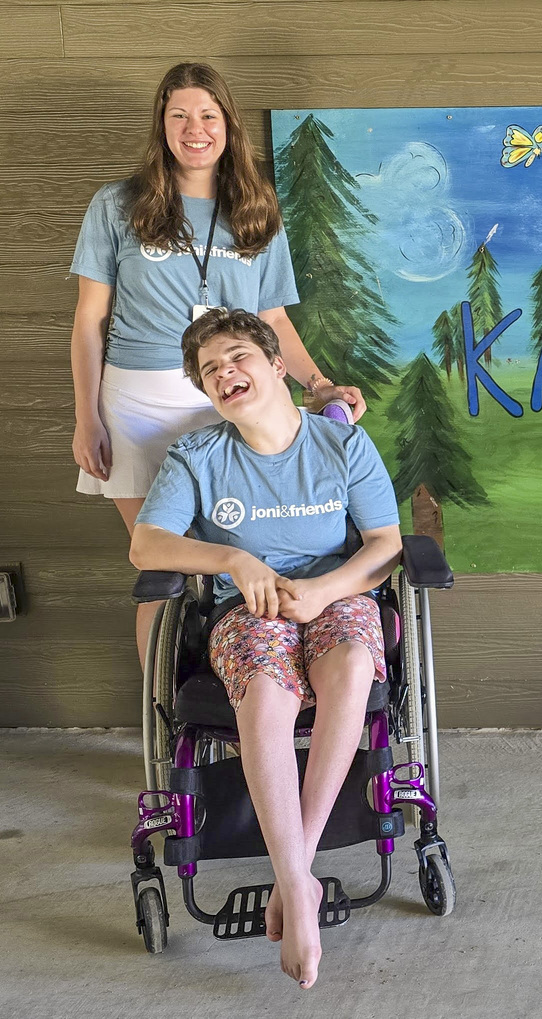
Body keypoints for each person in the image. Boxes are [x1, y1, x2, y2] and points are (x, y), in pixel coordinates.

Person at [131, 309, 401, 987]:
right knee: (266, 688)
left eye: (237, 356)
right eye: (209, 369)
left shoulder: (341, 445)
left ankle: (295, 872)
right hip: (247, 610)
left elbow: (386, 544)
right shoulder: (197, 458)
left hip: (336, 594)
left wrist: (325, 591)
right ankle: (298, 883)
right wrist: (231, 556)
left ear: (277, 365)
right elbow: (146, 544)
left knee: (351, 664)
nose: (224, 372)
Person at [70, 62, 366, 676]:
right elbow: (88, 321)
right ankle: (168, 709)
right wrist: (85, 419)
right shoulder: (117, 204)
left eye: (207, 115)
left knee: (246, 551)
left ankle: (250, 689)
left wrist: (316, 385)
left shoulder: (256, 208)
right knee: (165, 565)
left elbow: (274, 319)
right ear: (161, 126)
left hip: (231, 400)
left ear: (228, 125)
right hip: (137, 407)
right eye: (178, 115)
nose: (194, 128)